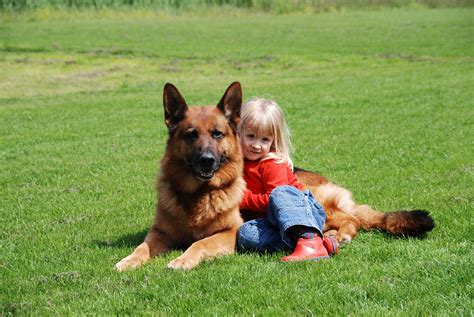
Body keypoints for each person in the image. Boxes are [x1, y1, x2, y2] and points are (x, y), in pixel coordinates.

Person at [237, 98, 338, 261]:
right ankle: (315, 244)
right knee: (244, 233)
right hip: (275, 222)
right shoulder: (238, 162)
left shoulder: (271, 163)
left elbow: (273, 200)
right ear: (238, 132)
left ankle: (309, 239)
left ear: (273, 141)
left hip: (302, 214)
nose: (256, 145)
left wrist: (244, 198)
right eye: (250, 136)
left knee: (280, 193)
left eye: (264, 140)